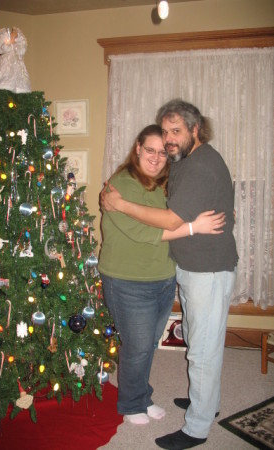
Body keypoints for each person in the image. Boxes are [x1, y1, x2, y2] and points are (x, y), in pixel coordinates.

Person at [101, 100, 238, 449]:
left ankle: (198, 427)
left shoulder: (200, 166)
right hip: (191, 268)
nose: (168, 141)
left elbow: (170, 221)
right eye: (164, 132)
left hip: (208, 269)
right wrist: (111, 196)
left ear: (196, 129)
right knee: (196, 338)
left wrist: (119, 203)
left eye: (176, 131)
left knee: (203, 350)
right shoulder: (182, 162)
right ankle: (206, 402)